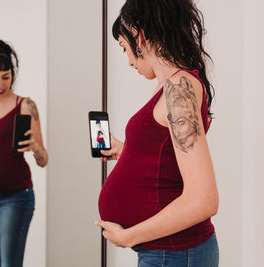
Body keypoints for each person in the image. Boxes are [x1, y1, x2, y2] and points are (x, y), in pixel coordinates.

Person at [96, 0, 219, 266]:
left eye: (124, 48)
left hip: (173, 253)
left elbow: (204, 200)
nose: (129, 62)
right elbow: (166, 152)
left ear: (139, 36)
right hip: (169, 252)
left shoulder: (179, 88)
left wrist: (129, 236)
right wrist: (128, 150)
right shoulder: (172, 85)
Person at [0, 38, 48, 267]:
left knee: (10, 265)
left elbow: (44, 160)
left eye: (6, 77)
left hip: (15, 198)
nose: (0, 84)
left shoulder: (26, 105)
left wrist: (35, 148)